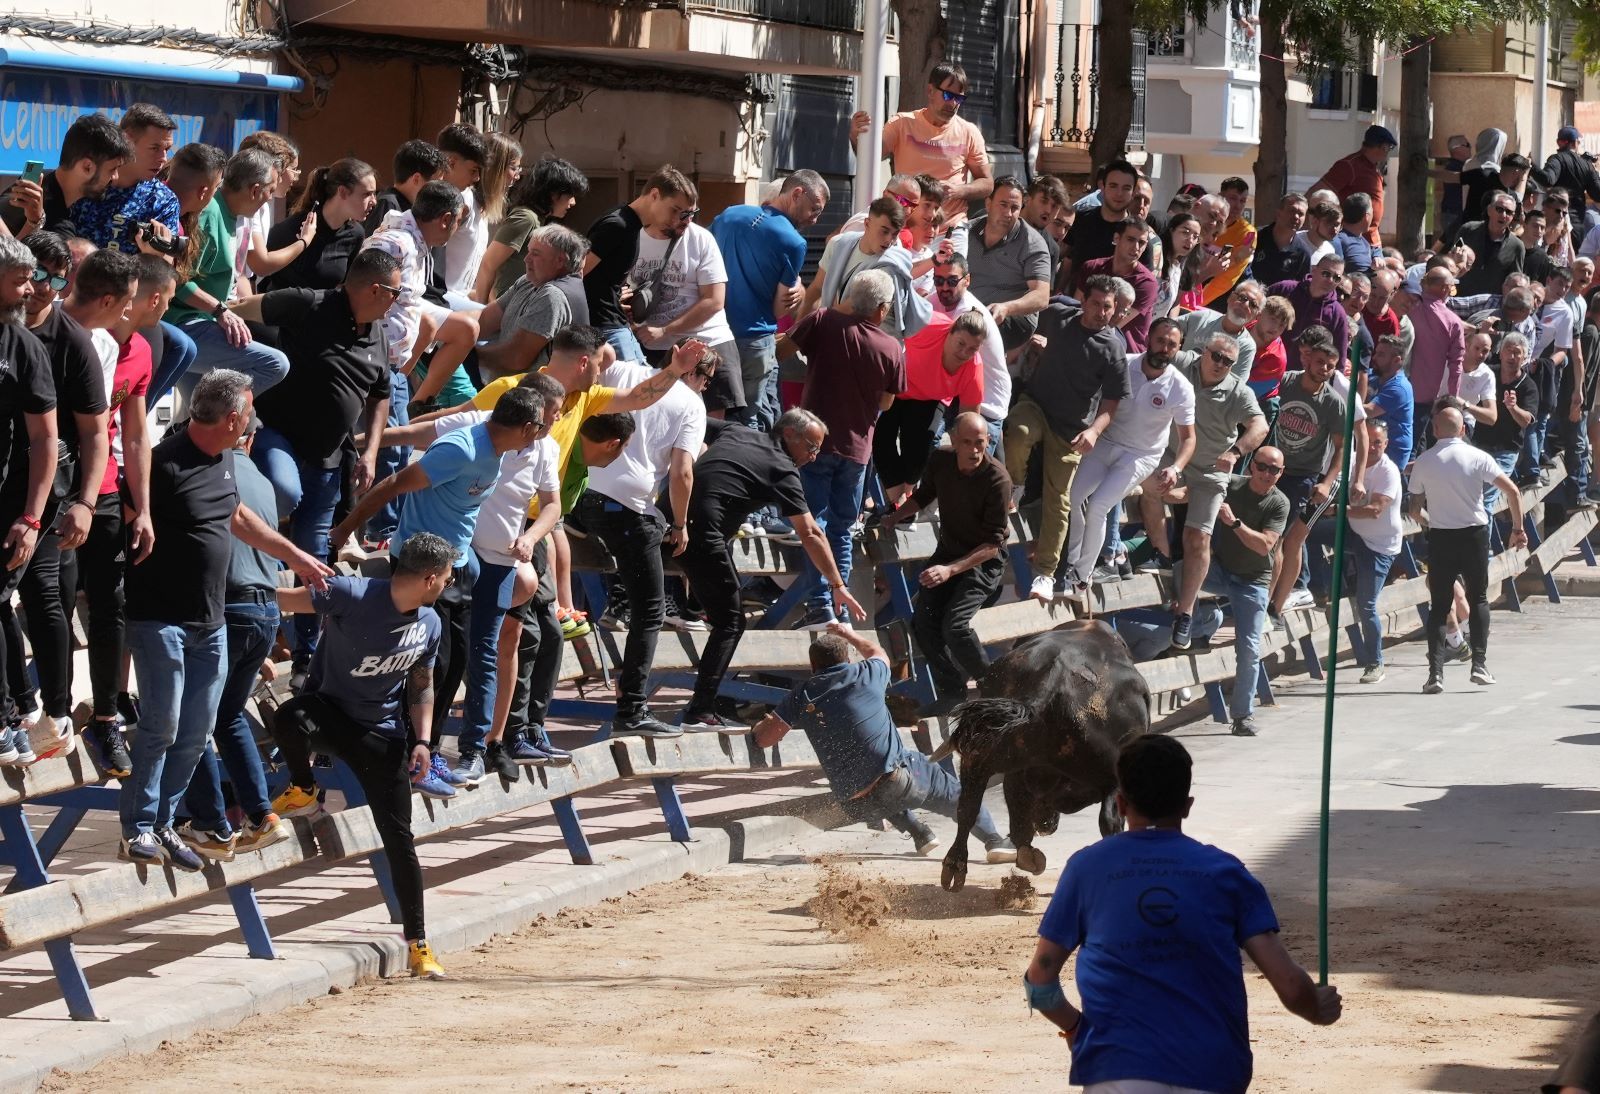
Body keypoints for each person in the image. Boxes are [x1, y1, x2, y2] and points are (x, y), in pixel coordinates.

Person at [1024, 734, 1341, 1090]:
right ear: (1187, 805)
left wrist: (1078, 1030)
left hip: (1116, 1071)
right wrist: (1317, 1007)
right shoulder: (1225, 872)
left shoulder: (1085, 869)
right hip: (1212, 1071)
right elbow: (1290, 986)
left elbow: (1040, 983)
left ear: (1121, 804)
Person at [118, 370, 333, 869]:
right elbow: (125, 520)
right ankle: (139, 827)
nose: (253, 422)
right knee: (163, 725)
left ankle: (167, 824)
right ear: (233, 418)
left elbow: (240, 519)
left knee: (195, 732)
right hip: (161, 621)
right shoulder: (161, 463)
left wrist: (295, 557)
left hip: (210, 623)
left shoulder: (227, 463)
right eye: (250, 413)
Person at [326, 385, 551, 796]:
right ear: (528, 426)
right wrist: (344, 529)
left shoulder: (501, 451)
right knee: (429, 666)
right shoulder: (461, 450)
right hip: (420, 570)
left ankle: (425, 756)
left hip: (458, 567)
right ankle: (409, 760)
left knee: (455, 662)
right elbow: (393, 485)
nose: (541, 436)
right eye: (540, 428)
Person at [267, 531, 454, 980]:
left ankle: (419, 944)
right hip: (328, 715)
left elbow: (421, 684)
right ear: (430, 578)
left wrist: (424, 742)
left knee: (400, 839)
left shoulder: (430, 622)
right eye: (447, 577)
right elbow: (284, 601)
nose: (449, 583)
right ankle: (304, 787)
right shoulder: (351, 593)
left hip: (383, 734)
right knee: (290, 715)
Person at [227, 248, 402, 673]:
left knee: (314, 557)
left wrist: (371, 450)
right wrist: (223, 318)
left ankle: (306, 652)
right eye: (396, 292)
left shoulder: (377, 330)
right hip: (279, 434)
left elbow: (381, 395)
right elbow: (241, 308)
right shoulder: (311, 302)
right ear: (375, 289)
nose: (399, 300)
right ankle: (252, 586)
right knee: (283, 493)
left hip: (328, 459)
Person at [677, 410, 867, 732]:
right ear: (789, 435)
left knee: (716, 597)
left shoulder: (736, 431)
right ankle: (700, 711)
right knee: (731, 621)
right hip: (699, 535)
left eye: (818, 449)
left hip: (670, 517)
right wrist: (837, 584)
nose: (813, 456)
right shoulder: (782, 470)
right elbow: (811, 533)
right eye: (810, 446)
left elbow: (690, 414)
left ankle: (690, 608)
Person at [752, 623, 1014, 857]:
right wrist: (849, 634)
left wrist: (760, 726)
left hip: (853, 803)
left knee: (875, 782)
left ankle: (921, 834)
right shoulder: (866, 673)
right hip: (899, 781)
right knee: (953, 794)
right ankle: (995, 842)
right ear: (848, 658)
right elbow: (879, 654)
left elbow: (764, 739)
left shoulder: (801, 695)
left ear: (813, 667)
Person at [9, 238, 118, 752]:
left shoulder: (69, 341)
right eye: (38, 277)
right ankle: (23, 704)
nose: (41, 291)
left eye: (57, 280)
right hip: (7, 475)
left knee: (44, 592)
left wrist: (85, 502)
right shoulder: (8, 330)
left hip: (50, 486)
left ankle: (54, 712)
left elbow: (97, 434)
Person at [577, 348, 718, 739]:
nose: (705, 388)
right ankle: (632, 708)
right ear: (698, 376)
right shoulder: (691, 404)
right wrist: (680, 523)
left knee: (631, 555)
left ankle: (613, 594)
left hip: (580, 492)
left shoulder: (622, 369)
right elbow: (682, 472)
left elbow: (600, 360)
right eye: (707, 381)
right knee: (651, 611)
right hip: (630, 509)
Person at [174, 413, 291, 859]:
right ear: (252, 438)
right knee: (228, 716)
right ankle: (262, 816)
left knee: (197, 720)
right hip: (263, 612)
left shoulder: (208, 471)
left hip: (227, 609)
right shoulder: (262, 479)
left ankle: (211, 824)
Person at [75, 255, 171, 776]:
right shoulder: (74, 337)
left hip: (109, 488)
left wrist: (145, 508)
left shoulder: (137, 351)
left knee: (112, 602)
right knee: (59, 597)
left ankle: (107, 716)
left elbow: (136, 435)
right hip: (60, 490)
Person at [782, 270, 904, 628]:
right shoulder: (892, 348)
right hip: (857, 452)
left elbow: (780, 350)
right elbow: (886, 403)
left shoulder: (823, 321)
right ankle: (838, 609)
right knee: (841, 529)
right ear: (881, 310)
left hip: (813, 446)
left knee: (813, 525)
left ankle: (821, 606)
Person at [1006, 276, 1129, 602]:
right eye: (1096, 304)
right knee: (1017, 431)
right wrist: (1028, 342)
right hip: (1037, 404)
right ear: (1083, 301)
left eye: (1108, 307)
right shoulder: (1059, 312)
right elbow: (1029, 308)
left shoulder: (1113, 346)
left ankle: (1045, 573)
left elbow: (1112, 402)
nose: (1102, 312)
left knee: (1059, 499)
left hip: (1072, 427)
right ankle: (1014, 485)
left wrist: (1094, 431)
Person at [880, 412, 1011, 715]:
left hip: (982, 560)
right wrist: (895, 516)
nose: (975, 450)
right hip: (949, 552)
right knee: (923, 623)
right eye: (967, 442)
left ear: (988, 441)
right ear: (953, 440)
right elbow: (925, 495)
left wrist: (950, 570)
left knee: (955, 626)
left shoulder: (997, 479)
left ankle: (994, 687)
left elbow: (992, 544)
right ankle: (951, 692)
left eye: (980, 443)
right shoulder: (940, 460)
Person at [1062, 317, 1196, 596]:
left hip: (1140, 455)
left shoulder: (1181, 387)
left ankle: (1081, 576)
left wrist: (1175, 468)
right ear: (1149, 338)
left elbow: (1189, 438)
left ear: (1179, 348)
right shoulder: (1124, 362)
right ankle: (1071, 561)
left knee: (1099, 505)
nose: (1164, 348)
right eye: (1160, 341)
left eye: (1172, 345)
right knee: (1073, 497)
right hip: (1106, 441)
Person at [1410, 403, 1526, 693]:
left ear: (1435, 430)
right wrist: (1517, 528)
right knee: (1479, 599)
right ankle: (1480, 664)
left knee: (1438, 607)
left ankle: (1435, 674)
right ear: (1463, 429)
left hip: (1441, 535)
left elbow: (1413, 509)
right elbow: (1512, 490)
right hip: (1474, 534)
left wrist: (1430, 521)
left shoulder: (1424, 461)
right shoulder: (1478, 457)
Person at [1166, 333, 1269, 648]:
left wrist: (1236, 453)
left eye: (1228, 362)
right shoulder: (1183, 363)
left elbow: (1260, 426)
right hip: (1173, 456)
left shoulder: (1238, 391)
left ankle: (1185, 614)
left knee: (1198, 538)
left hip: (1212, 471)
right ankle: (1156, 553)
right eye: (1216, 357)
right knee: (1159, 490)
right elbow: (1150, 356)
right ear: (1204, 352)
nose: (1220, 364)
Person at [163, 148, 291, 399]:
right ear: (255, 190)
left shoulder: (230, 214)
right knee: (276, 364)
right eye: (270, 190)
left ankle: (203, 427)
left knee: (202, 415)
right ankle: (218, 419)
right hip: (184, 324)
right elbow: (175, 278)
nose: (270, 198)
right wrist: (220, 310)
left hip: (203, 324)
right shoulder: (209, 212)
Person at [710, 170, 829, 429]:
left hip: (715, 334)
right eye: (814, 209)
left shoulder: (730, 215)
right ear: (797, 193)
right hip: (754, 340)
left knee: (713, 415)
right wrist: (797, 285)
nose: (815, 219)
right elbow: (778, 308)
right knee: (750, 420)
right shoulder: (794, 242)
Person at [848, 60, 993, 254]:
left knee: (949, 283)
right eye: (948, 95)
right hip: (904, 230)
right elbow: (869, 158)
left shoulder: (969, 132)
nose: (952, 104)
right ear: (930, 91)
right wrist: (856, 136)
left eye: (959, 98)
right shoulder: (902, 123)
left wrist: (959, 190)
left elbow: (987, 183)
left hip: (949, 230)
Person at [362, 180, 478, 410]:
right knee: (396, 446)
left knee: (462, 328)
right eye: (457, 221)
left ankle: (415, 404)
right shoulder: (394, 243)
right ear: (445, 220)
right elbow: (364, 296)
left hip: (400, 348)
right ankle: (391, 392)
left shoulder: (415, 241)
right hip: (377, 354)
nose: (456, 229)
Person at [628, 200, 745, 419]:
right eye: (681, 213)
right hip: (651, 347)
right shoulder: (631, 237)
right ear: (657, 203)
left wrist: (665, 330)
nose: (688, 220)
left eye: (692, 213)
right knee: (656, 420)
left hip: (706, 341)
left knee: (709, 426)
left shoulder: (701, 239)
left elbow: (714, 300)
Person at [1265, 325, 1348, 618]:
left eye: (1330, 366)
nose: (1324, 369)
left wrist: (1326, 483)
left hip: (1303, 476)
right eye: (1320, 362)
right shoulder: (1285, 383)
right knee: (1270, 537)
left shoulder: (1333, 403)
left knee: (1284, 539)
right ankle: (1263, 600)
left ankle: (1272, 605)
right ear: (1307, 360)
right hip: (1270, 468)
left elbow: (1341, 447)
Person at [870, 308, 985, 511]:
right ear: (949, 333)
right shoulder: (929, 326)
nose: (964, 353)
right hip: (895, 387)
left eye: (972, 349)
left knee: (919, 449)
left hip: (928, 398)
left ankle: (904, 500)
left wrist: (965, 462)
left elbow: (968, 421)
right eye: (961, 344)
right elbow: (892, 317)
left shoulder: (973, 369)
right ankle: (897, 503)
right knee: (881, 439)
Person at [583, 164, 698, 362]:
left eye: (686, 214)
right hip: (605, 326)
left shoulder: (630, 224)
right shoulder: (618, 225)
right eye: (675, 210)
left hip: (614, 324)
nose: (679, 220)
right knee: (638, 386)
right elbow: (577, 273)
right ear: (654, 195)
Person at [471, 223, 590, 378]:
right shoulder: (529, 281)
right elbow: (485, 319)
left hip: (531, 397)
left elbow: (515, 358)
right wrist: (446, 328)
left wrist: (467, 356)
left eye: (536, 254)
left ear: (560, 261)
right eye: (528, 252)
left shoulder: (552, 296)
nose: (527, 259)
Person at [805, 195, 927, 339]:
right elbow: (816, 288)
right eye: (884, 231)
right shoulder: (839, 244)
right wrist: (795, 328)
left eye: (895, 234)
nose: (889, 240)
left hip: (878, 345)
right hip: (843, 335)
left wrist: (805, 333)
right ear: (867, 224)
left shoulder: (889, 267)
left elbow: (849, 308)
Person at [66, 104, 181, 255]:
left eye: (167, 149)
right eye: (155, 148)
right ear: (127, 140)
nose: (163, 158)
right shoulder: (88, 181)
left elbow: (166, 272)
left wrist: (154, 255)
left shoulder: (162, 200)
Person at [474, 155, 588, 302]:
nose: (573, 202)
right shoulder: (526, 218)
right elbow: (488, 265)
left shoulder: (538, 221)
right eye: (570, 195)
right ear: (553, 193)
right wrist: (482, 313)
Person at [1342, 417, 1403, 685]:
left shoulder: (1388, 472)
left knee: (1366, 605)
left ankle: (1375, 663)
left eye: (1378, 442)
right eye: (1369, 441)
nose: (1374, 447)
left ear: (1386, 444)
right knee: (1304, 531)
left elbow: (1376, 510)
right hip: (1353, 533)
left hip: (1379, 545)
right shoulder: (1354, 461)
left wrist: (1341, 511)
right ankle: (1316, 586)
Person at [259, 157, 378, 292]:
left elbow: (344, 286)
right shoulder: (294, 228)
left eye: (374, 194)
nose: (374, 201)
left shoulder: (355, 234)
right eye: (367, 194)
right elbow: (258, 273)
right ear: (342, 192)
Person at [2, 113, 129, 237]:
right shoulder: (56, 228)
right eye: (112, 169)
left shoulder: (39, 185)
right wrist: (34, 222)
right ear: (87, 167)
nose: (115, 177)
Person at [930, 254, 1008, 450]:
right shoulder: (934, 301)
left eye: (952, 281)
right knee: (925, 443)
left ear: (967, 280)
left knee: (973, 469)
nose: (945, 287)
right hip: (952, 393)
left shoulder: (968, 313)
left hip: (986, 404)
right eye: (939, 281)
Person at [966, 176, 1052, 351]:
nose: (1008, 213)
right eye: (1003, 205)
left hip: (1012, 316)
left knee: (972, 332)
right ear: (988, 204)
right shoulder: (966, 231)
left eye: (1014, 208)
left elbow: (1042, 296)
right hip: (968, 307)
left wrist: (1006, 308)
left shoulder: (1032, 243)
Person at [443, 131, 520, 302]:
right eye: (513, 167)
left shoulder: (480, 209)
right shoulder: (464, 202)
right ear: (495, 168)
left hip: (458, 297)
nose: (517, 175)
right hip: (442, 300)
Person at [1471, 330, 1539, 511]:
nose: (1512, 356)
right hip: (1478, 446)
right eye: (1508, 351)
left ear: (1524, 357)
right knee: (1470, 497)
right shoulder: (1488, 374)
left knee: (1485, 502)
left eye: (1517, 353)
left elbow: (1526, 421)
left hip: (1505, 452)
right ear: (1500, 353)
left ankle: (1482, 539)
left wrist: (1513, 407)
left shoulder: (1528, 386)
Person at [1074, 216, 1158, 352]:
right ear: (1116, 239)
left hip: (1124, 354)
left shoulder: (1146, 283)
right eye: (1131, 239)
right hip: (1081, 340)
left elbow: (1112, 322)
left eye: (1142, 243)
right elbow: (1076, 307)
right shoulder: (1092, 267)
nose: (1136, 247)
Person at [1313, 124, 1397, 246]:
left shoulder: (1375, 169)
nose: (1387, 152)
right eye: (1388, 148)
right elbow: (1316, 193)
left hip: (1372, 240)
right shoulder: (1349, 165)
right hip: (1351, 240)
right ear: (1382, 147)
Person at [1268, 252, 1350, 368]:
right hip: (1266, 362)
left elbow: (1338, 358)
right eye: (1326, 274)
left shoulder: (1337, 313)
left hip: (1301, 378)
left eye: (1336, 278)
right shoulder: (1285, 289)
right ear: (1314, 270)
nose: (1331, 280)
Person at [1063, 159, 1139, 280]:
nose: (1119, 193)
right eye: (1113, 186)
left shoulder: (1139, 235)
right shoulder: (1081, 219)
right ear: (1102, 188)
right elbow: (1066, 258)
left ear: (1134, 192)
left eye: (1126, 188)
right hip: (1075, 297)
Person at [1176, 277, 1262, 380]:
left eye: (1253, 305)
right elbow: (1165, 329)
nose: (1245, 305)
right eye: (1242, 298)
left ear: (1257, 315)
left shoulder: (1247, 347)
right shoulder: (1202, 317)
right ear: (1230, 297)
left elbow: (1235, 385)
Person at [1448, 191, 1526, 297]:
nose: (1503, 215)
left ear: (1512, 217)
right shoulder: (1468, 230)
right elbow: (1451, 259)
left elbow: (1515, 281)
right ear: (1489, 210)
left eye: (1508, 212)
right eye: (1499, 209)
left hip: (1490, 305)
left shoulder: (1517, 246)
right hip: (1459, 297)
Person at [362, 140, 448, 235]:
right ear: (416, 179)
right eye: (436, 184)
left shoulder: (412, 207)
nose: (439, 190)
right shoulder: (387, 204)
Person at [1535, 127, 1600, 235]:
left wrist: (1531, 166)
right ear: (1574, 143)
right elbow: (1597, 194)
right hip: (1577, 222)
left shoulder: (1557, 159)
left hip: (1555, 221)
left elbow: (1547, 180)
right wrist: (1595, 171)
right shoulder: (1587, 165)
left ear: (1558, 142)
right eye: (1578, 142)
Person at [1362, 334, 1415, 467]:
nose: (1374, 357)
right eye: (1376, 353)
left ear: (1396, 360)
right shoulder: (1375, 375)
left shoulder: (1399, 388)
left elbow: (1368, 411)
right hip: (1374, 446)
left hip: (1392, 455)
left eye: (1381, 355)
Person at [1248, 191, 1310, 287]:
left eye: (1301, 214)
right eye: (1292, 211)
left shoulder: (1303, 253)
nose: (1296, 217)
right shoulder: (1254, 236)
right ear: (1278, 213)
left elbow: (1300, 288)